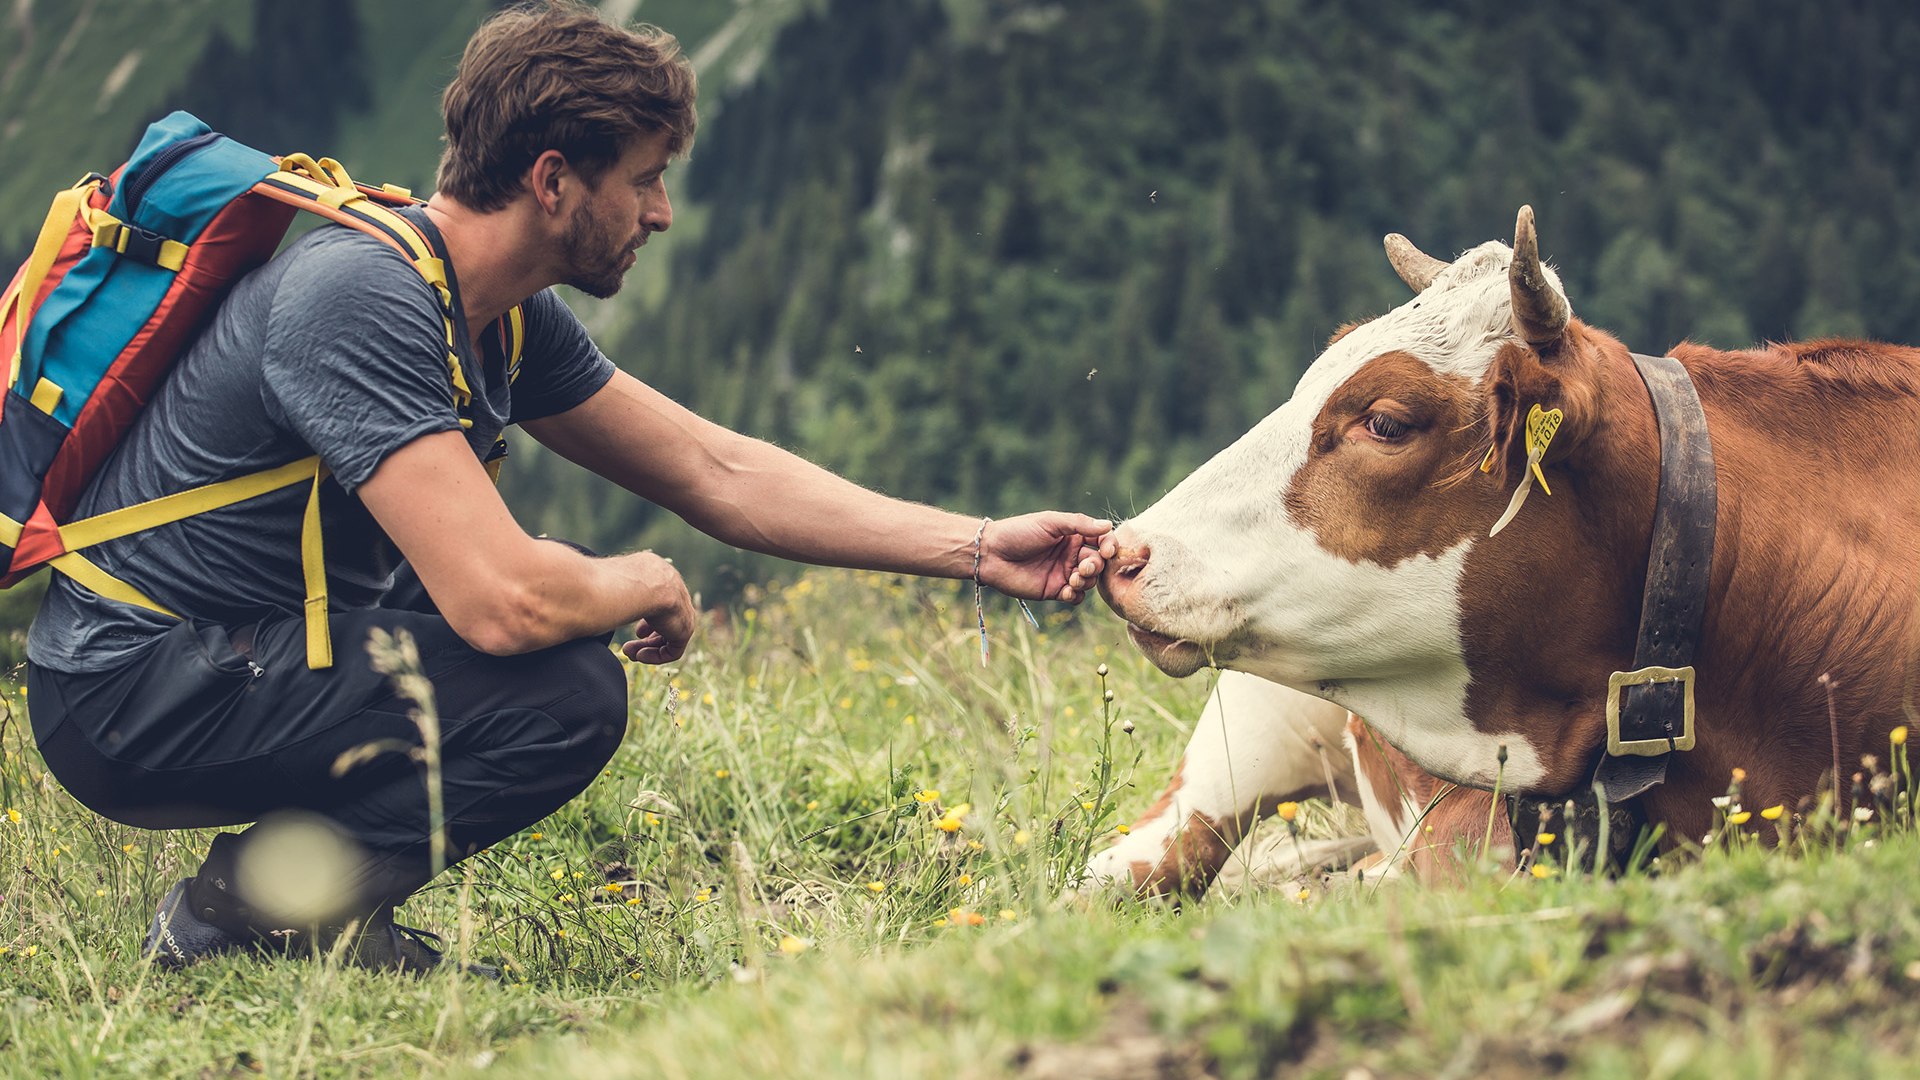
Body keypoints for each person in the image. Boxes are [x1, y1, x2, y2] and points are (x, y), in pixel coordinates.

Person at [25, 0, 1113, 974]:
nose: (661, 212)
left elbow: (713, 470)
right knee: (561, 693)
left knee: (539, 668)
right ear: (554, 180)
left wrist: (974, 546)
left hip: (235, 652)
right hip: (128, 692)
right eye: (642, 179)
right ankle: (246, 917)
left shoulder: (495, 312)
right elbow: (505, 602)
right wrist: (639, 578)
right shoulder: (356, 296)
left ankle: (308, 907)